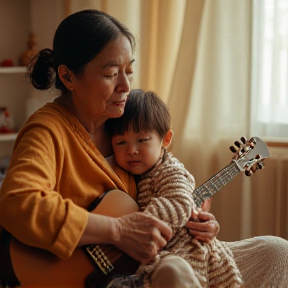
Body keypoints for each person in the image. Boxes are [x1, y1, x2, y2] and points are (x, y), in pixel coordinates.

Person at [0, 9, 219, 288]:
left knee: (273, 249)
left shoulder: (123, 123)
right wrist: (117, 230)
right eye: (111, 74)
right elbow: (17, 203)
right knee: (175, 273)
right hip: (88, 276)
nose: (126, 86)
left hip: (136, 261)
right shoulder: (47, 130)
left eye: (129, 71)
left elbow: (164, 183)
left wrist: (197, 225)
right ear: (68, 77)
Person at [105, 89, 243, 288]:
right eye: (120, 142)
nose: (131, 150)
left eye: (142, 140)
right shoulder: (129, 172)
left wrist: (136, 226)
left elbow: (179, 201)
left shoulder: (170, 171)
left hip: (185, 254)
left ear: (166, 139)